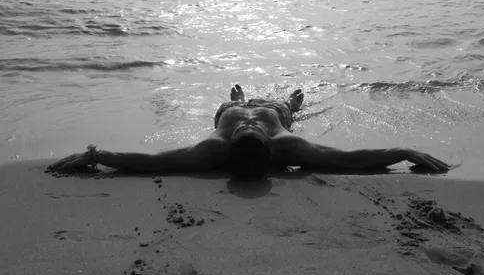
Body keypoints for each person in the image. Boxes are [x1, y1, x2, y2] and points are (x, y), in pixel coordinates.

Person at [46, 84, 451, 178]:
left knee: (234, 103)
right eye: (248, 131)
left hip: (228, 111)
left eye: (249, 131)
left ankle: (236, 96)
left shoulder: (212, 148)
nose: (249, 127)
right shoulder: (286, 143)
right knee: (285, 108)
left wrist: (97, 155)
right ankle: (291, 102)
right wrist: (402, 151)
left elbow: (152, 162)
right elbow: (346, 160)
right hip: (277, 112)